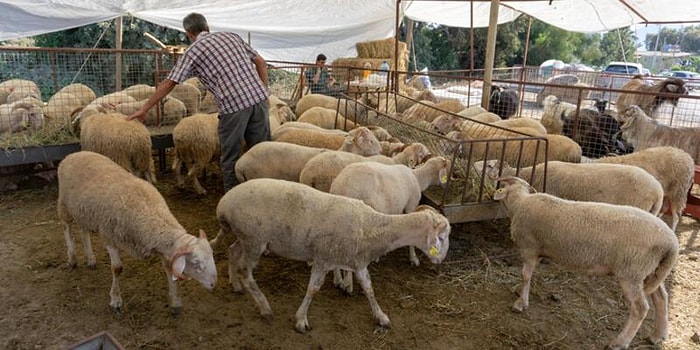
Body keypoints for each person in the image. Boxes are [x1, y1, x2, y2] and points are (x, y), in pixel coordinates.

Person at [129, 12, 270, 192]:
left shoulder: (193, 51)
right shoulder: (231, 36)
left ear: (189, 33)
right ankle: (264, 194)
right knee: (261, 152)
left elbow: (169, 83)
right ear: (207, 27)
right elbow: (261, 62)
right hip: (259, 100)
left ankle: (234, 202)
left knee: (230, 158)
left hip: (234, 107)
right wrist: (264, 91)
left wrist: (144, 109)